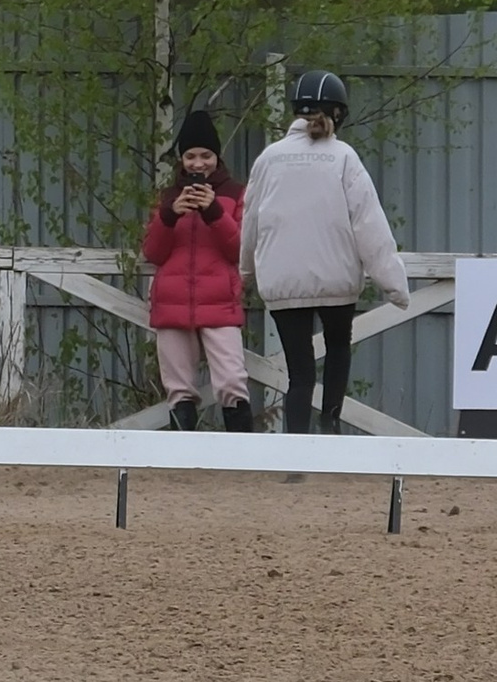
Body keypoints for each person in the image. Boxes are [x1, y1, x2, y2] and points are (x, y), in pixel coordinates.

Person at [239, 68, 411, 434]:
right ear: (338, 112)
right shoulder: (343, 157)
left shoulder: (268, 159)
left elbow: (250, 221)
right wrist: (394, 284)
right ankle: (330, 426)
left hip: (283, 283)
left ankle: (296, 451)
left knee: (299, 374)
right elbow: (369, 224)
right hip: (336, 278)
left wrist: (245, 272)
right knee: (337, 351)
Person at [142, 107, 254, 431]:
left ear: (217, 157)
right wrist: (169, 215)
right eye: (190, 156)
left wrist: (214, 211)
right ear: (181, 160)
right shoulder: (167, 198)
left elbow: (239, 250)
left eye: (206, 155)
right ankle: (182, 463)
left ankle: (241, 458)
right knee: (179, 390)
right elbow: (153, 252)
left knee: (232, 381)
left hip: (219, 301)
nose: (198, 164)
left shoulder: (236, 194)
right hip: (172, 303)